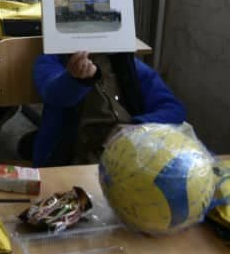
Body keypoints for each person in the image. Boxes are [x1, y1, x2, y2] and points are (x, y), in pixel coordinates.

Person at [30, 50, 186, 167]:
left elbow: (173, 109)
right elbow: (55, 94)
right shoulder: (51, 60)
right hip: (77, 157)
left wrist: (135, 126)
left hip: (130, 149)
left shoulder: (127, 64)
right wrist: (75, 79)